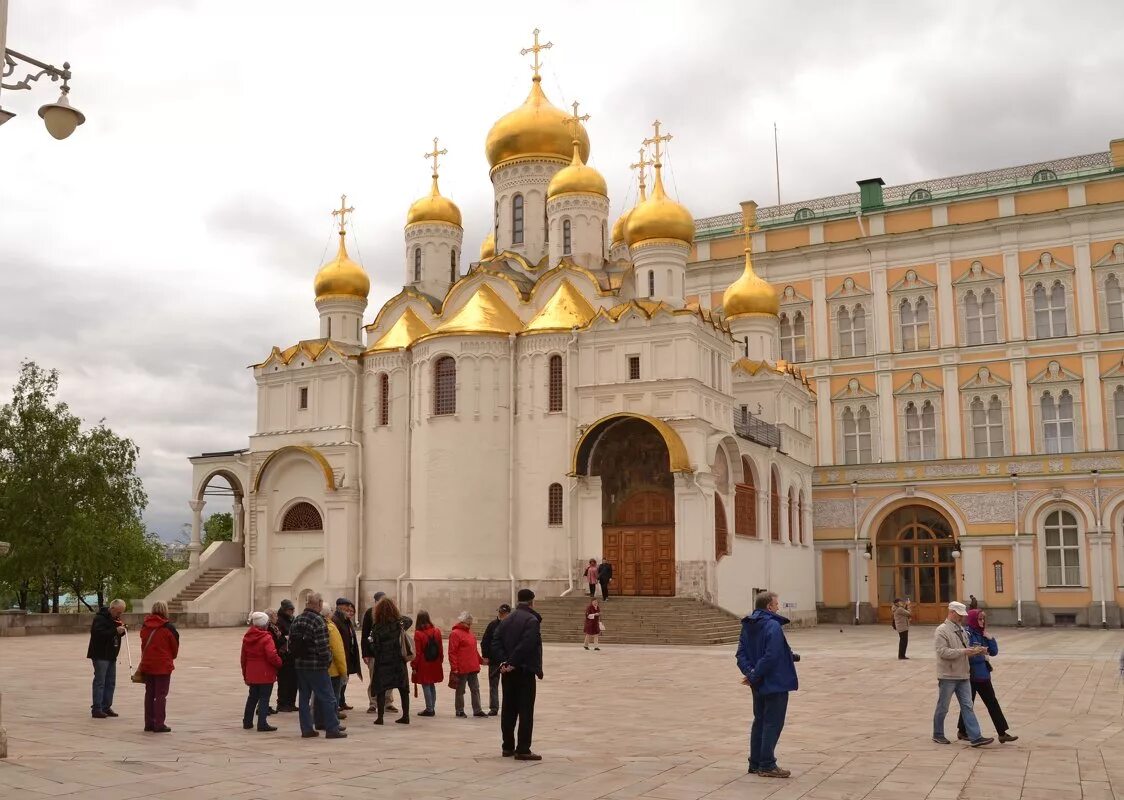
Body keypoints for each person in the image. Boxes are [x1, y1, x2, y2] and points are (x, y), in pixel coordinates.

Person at [736, 591, 799, 778]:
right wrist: (755, 675)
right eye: (776, 604)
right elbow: (771, 655)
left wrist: (750, 673)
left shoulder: (748, 625)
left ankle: (755, 763)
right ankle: (767, 764)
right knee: (773, 722)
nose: (778, 607)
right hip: (775, 681)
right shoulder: (773, 625)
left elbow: (741, 654)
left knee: (760, 721)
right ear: (769, 606)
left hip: (757, 683)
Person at [933, 600, 993, 747]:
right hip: (948, 675)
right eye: (959, 614)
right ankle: (938, 734)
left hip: (964, 674)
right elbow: (942, 652)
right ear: (951, 612)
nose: (961, 617)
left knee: (967, 706)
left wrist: (976, 651)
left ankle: (975, 737)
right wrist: (964, 651)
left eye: (962, 615)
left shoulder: (961, 630)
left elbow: (965, 650)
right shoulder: (941, 630)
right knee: (943, 707)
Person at [494, 588, 543, 761]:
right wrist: (512, 663)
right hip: (524, 670)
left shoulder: (506, 620)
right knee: (525, 711)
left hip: (508, 673)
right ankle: (523, 748)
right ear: (532, 601)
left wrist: (504, 662)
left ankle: (507, 747)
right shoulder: (531, 620)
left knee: (508, 709)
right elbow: (526, 645)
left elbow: (496, 641)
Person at [288, 593, 346, 739]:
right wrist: (327, 661)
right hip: (317, 666)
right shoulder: (318, 621)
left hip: (300, 665)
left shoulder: (297, 619)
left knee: (304, 698)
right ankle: (332, 729)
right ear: (319, 603)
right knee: (328, 697)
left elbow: (291, 644)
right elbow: (323, 647)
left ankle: (306, 729)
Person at [956, 609, 1018, 743]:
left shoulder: (982, 633)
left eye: (983, 619)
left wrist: (990, 639)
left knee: (992, 703)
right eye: (979, 619)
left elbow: (994, 652)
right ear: (973, 620)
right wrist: (981, 653)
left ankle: (1002, 733)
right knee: (968, 704)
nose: (982, 621)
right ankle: (962, 731)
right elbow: (967, 654)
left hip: (984, 675)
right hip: (971, 675)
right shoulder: (967, 634)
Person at [138, 600, 179, 734]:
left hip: (148, 663)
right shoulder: (168, 627)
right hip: (163, 665)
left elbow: (143, 645)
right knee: (160, 695)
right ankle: (159, 723)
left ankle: (149, 723)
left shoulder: (145, 626)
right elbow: (174, 648)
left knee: (149, 694)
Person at [369, 596, 410, 725]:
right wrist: (396, 615)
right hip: (398, 661)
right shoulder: (399, 624)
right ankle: (406, 716)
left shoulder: (377, 627)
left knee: (381, 690)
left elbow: (374, 647)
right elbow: (409, 620)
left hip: (383, 662)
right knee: (403, 690)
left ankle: (380, 717)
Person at [241, 611, 281, 732]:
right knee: (264, 698)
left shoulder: (247, 637)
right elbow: (272, 655)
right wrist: (279, 662)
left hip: (252, 672)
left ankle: (247, 721)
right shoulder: (266, 637)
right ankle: (262, 723)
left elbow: (243, 658)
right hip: (265, 673)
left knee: (252, 697)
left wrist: (245, 673)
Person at [87, 599, 127, 719]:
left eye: (121, 612)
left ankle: (106, 706)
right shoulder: (100, 618)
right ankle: (97, 708)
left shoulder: (116, 619)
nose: (119, 614)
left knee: (110, 682)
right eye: (118, 612)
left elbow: (115, 634)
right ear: (112, 608)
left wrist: (122, 630)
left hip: (111, 654)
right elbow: (98, 634)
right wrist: (115, 631)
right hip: (100, 654)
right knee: (100, 681)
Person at [449, 611, 487, 718]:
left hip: (473, 666)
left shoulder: (470, 633)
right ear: (462, 622)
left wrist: (481, 660)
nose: (470, 625)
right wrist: (454, 668)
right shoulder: (455, 633)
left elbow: (474, 650)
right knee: (460, 690)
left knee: (475, 689)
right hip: (462, 667)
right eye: (468, 623)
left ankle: (477, 710)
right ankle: (459, 710)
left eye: (470, 623)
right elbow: (452, 652)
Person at [319, 606, 348, 726]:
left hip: (319, 668)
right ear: (328, 614)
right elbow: (338, 652)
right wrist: (343, 671)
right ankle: (332, 723)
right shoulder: (331, 627)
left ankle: (320, 721)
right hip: (333, 670)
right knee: (332, 698)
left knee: (320, 697)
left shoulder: (318, 625)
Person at [332, 598, 362, 711]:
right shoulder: (335, 620)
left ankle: (341, 701)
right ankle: (336, 704)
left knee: (344, 680)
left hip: (347, 655)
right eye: (346, 607)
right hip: (341, 655)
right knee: (339, 682)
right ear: (340, 607)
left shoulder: (346, 620)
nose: (348, 609)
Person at [411, 610, 444, 717]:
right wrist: (440, 660)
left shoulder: (418, 634)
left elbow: (417, 652)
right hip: (435, 662)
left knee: (426, 685)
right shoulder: (437, 631)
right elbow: (440, 648)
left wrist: (414, 665)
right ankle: (432, 707)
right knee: (432, 684)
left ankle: (429, 709)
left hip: (424, 663)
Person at [480, 604, 510, 716]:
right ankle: (494, 707)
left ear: (508, 614)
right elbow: (485, 641)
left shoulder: (512, 625)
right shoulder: (492, 625)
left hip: (508, 661)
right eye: (500, 612)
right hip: (494, 660)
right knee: (493, 685)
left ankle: (508, 707)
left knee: (508, 686)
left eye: (503, 613)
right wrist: (485, 656)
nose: (501, 614)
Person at [275, 599, 297, 712]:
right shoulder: (279, 621)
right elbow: (278, 638)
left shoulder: (292, 619)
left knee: (293, 680)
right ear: (284, 610)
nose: (292, 611)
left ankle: (291, 703)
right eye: (290, 609)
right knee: (284, 681)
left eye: (293, 609)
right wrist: (286, 637)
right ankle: (282, 703)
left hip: (292, 654)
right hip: (284, 655)